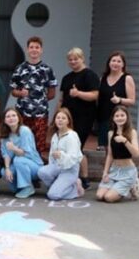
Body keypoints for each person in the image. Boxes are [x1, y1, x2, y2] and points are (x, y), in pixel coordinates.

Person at [59, 47, 99, 189]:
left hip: (84, 118)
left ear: (82, 59)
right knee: (66, 146)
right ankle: (70, 176)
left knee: (77, 147)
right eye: (70, 59)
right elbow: (61, 99)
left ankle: (84, 177)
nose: (73, 61)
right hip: (67, 118)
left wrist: (78, 93)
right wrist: (57, 114)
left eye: (76, 59)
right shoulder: (66, 78)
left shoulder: (90, 75)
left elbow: (95, 95)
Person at [10, 36, 57, 156]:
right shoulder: (20, 68)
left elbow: (52, 93)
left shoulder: (47, 69)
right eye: (31, 47)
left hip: (40, 114)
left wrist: (39, 101)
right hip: (22, 113)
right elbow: (13, 91)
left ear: (41, 50)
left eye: (37, 47)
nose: (34, 50)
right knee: (21, 142)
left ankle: (37, 165)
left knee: (39, 144)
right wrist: (20, 93)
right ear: (27, 50)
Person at [38, 108, 84, 200]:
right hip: (57, 166)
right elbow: (51, 155)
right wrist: (52, 165)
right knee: (42, 172)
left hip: (69, 169)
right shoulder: (55, 135)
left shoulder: (72, 136)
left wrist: (61, 155)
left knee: (53, 195)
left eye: (63, 118)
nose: (60, 120)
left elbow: (74, 158)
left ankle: (74, 189)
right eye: (58, 118)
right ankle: (58, 186)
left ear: (68, 121)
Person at [96, 105, 139, 203]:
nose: (120, 118)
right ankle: (117, 187)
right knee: (99, 196)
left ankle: (132, 184)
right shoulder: (110, 133)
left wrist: (125, 141)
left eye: (122, 115)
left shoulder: (132, 132)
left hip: (127, 172)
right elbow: (110, 155)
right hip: (114, 170)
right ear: (113, 118)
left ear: (127, 117)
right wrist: (105, 172)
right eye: (117, 116)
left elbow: (136, 154)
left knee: (108, 198)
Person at [0, 107, 43, 198]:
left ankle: (28, 187)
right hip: (19, 165)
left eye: (14, 115)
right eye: (8, 116)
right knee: (4, 171)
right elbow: (6, 154)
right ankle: (21, 187)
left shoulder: (24, 131)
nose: (11, 118)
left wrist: (14, 148)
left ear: (18, 118)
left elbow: (25, 153)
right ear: (4, 120)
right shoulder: (5, 135)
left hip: (34, 166)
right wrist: (7, 168)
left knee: (18, 160)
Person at [96, 51, 136, 151]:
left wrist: (119, 100)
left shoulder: (127, 78)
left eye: (119, 61)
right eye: (113, 60)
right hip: (103, 118)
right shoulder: (102, 79)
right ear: (109, 63)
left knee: (118, 147)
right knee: (106, 148)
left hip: (119, 119)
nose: (115, 63)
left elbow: (132, 101)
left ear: (123, 65)